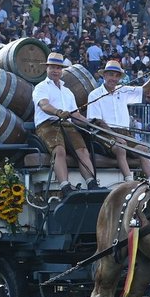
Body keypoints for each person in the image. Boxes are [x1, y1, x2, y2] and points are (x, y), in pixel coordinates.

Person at [32, 52, 100, 197]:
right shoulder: (41, 87)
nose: (56, 71)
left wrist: (90, 123)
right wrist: (58, 112)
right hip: (47, 125)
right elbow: (44, 105)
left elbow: (75, 114)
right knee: (59, 151)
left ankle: (92, 183)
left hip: (67, 125)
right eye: (53, 67)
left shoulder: (67, 91)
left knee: (83, 151)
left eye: (58, 68)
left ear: (62, 70)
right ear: (47, 69)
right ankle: (65, 187)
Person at [87, 59, 150, 182]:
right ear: (104, 75)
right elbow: (97, 121)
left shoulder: (123, 90)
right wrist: (114, 136)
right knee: (120, 148)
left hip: (125, 133)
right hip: (104, 133)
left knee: (144, 150)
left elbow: (144, 90)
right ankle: (129, 180)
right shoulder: (94, 94)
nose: (113, 78)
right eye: (110, 74)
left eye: (116, 75)